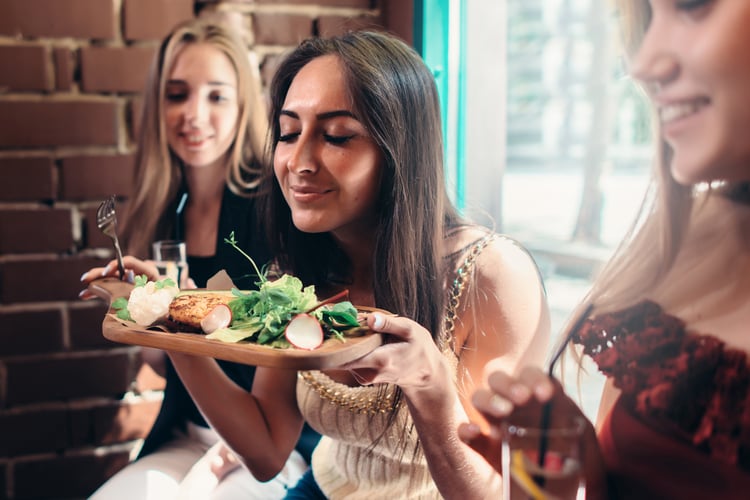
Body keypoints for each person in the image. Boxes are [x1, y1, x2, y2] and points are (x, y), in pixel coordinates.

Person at [166, 29, 551, 500]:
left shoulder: (492, 276)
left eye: (337, 136)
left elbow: (515, 494)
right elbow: (267, 451)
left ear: (399, 151)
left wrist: (430, 387)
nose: (299, 161)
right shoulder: (297, 272)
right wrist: (171, 330)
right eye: (288, 133)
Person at [459, 1, 750, 498]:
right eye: (648, 18)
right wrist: (559, 476)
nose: (642, 64)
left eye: (692, 5)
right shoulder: (678, 245)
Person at [79, 18, 318, 499]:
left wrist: (177, 312)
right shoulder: (164, 211)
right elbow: (162, 364)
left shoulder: (278, 208)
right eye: (177, 94)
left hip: (271, 445)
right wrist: (138, 313)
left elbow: (272, 392)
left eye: (216, 96)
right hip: (186, 434)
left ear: (243, 104)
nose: (194, 114)